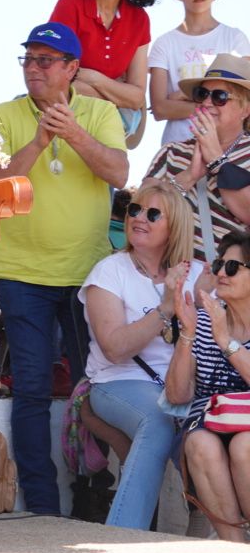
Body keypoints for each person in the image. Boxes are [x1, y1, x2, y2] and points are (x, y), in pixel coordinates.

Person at [0, 22, 129, 515]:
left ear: (72, 69)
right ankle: (42, 506)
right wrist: (39, 142)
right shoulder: (2, 116)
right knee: (30, 388)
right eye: (28, 59)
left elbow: (119, 171)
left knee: (98, 388)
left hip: (91, 275)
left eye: (46, 61)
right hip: (22, 273)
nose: (34, 69)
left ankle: (95, 490)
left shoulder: (101, 111)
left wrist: (74, 134)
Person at [79, 178, 202, 529]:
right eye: (134, 210)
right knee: (159, 419)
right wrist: (165, 308)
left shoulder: (193, 276)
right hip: (117, 383)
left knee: (209, 435)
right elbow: (115, 348)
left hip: (181, 387)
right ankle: (123, 537)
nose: (139, 218)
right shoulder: (110, 271)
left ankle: (214, 543)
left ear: (173, 226)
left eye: (152, 213)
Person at [164, 229, 250, 541]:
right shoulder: (203, 321)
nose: (221, 274)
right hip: (207, 426)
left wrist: (225, 341)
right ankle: (234, 551)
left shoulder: (217, 327)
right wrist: (186, 333)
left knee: (245, 444)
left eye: (232, 268)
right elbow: (177, 395)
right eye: (218, 266)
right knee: (200, 444)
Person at [50, 0, 159, 148]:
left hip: (108, 138)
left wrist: (91, 78)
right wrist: (116, 94)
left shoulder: (140, 20)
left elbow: (137, 97)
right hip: (63, 130)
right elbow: (55, 77)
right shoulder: (70, 6)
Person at [147, 54, 250, 261]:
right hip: (173, 280)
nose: (207, 102)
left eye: (219, 96)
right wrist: (187, 177)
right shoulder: (172, 152)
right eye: (202, 94)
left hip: (232, 283)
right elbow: (141, 215)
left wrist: (217, 161)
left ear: (246, 109)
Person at [149, 0, 248, 147]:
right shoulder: (164, 43)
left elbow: (243, 97)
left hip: (227, 149)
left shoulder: (234, 38)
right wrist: (217, 103)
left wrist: (185, 94)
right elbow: (160, 108)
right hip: (178, 148)